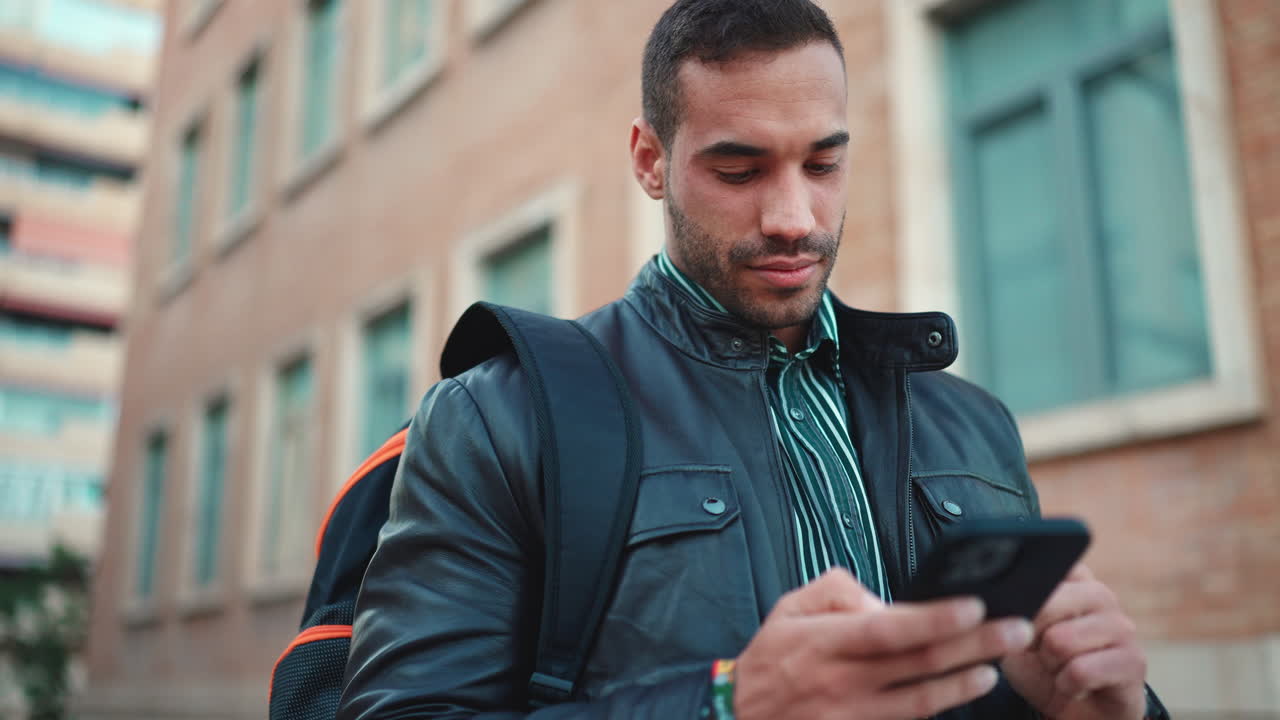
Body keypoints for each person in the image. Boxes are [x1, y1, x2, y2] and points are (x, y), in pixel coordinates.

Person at [337, 1, 1158, 718]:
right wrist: (729, 704)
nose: (795, 216)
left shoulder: (974, 425)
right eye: (739, 168)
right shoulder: (501, 417)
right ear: (650, 160)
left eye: (824, 163)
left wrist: (1104, 712)